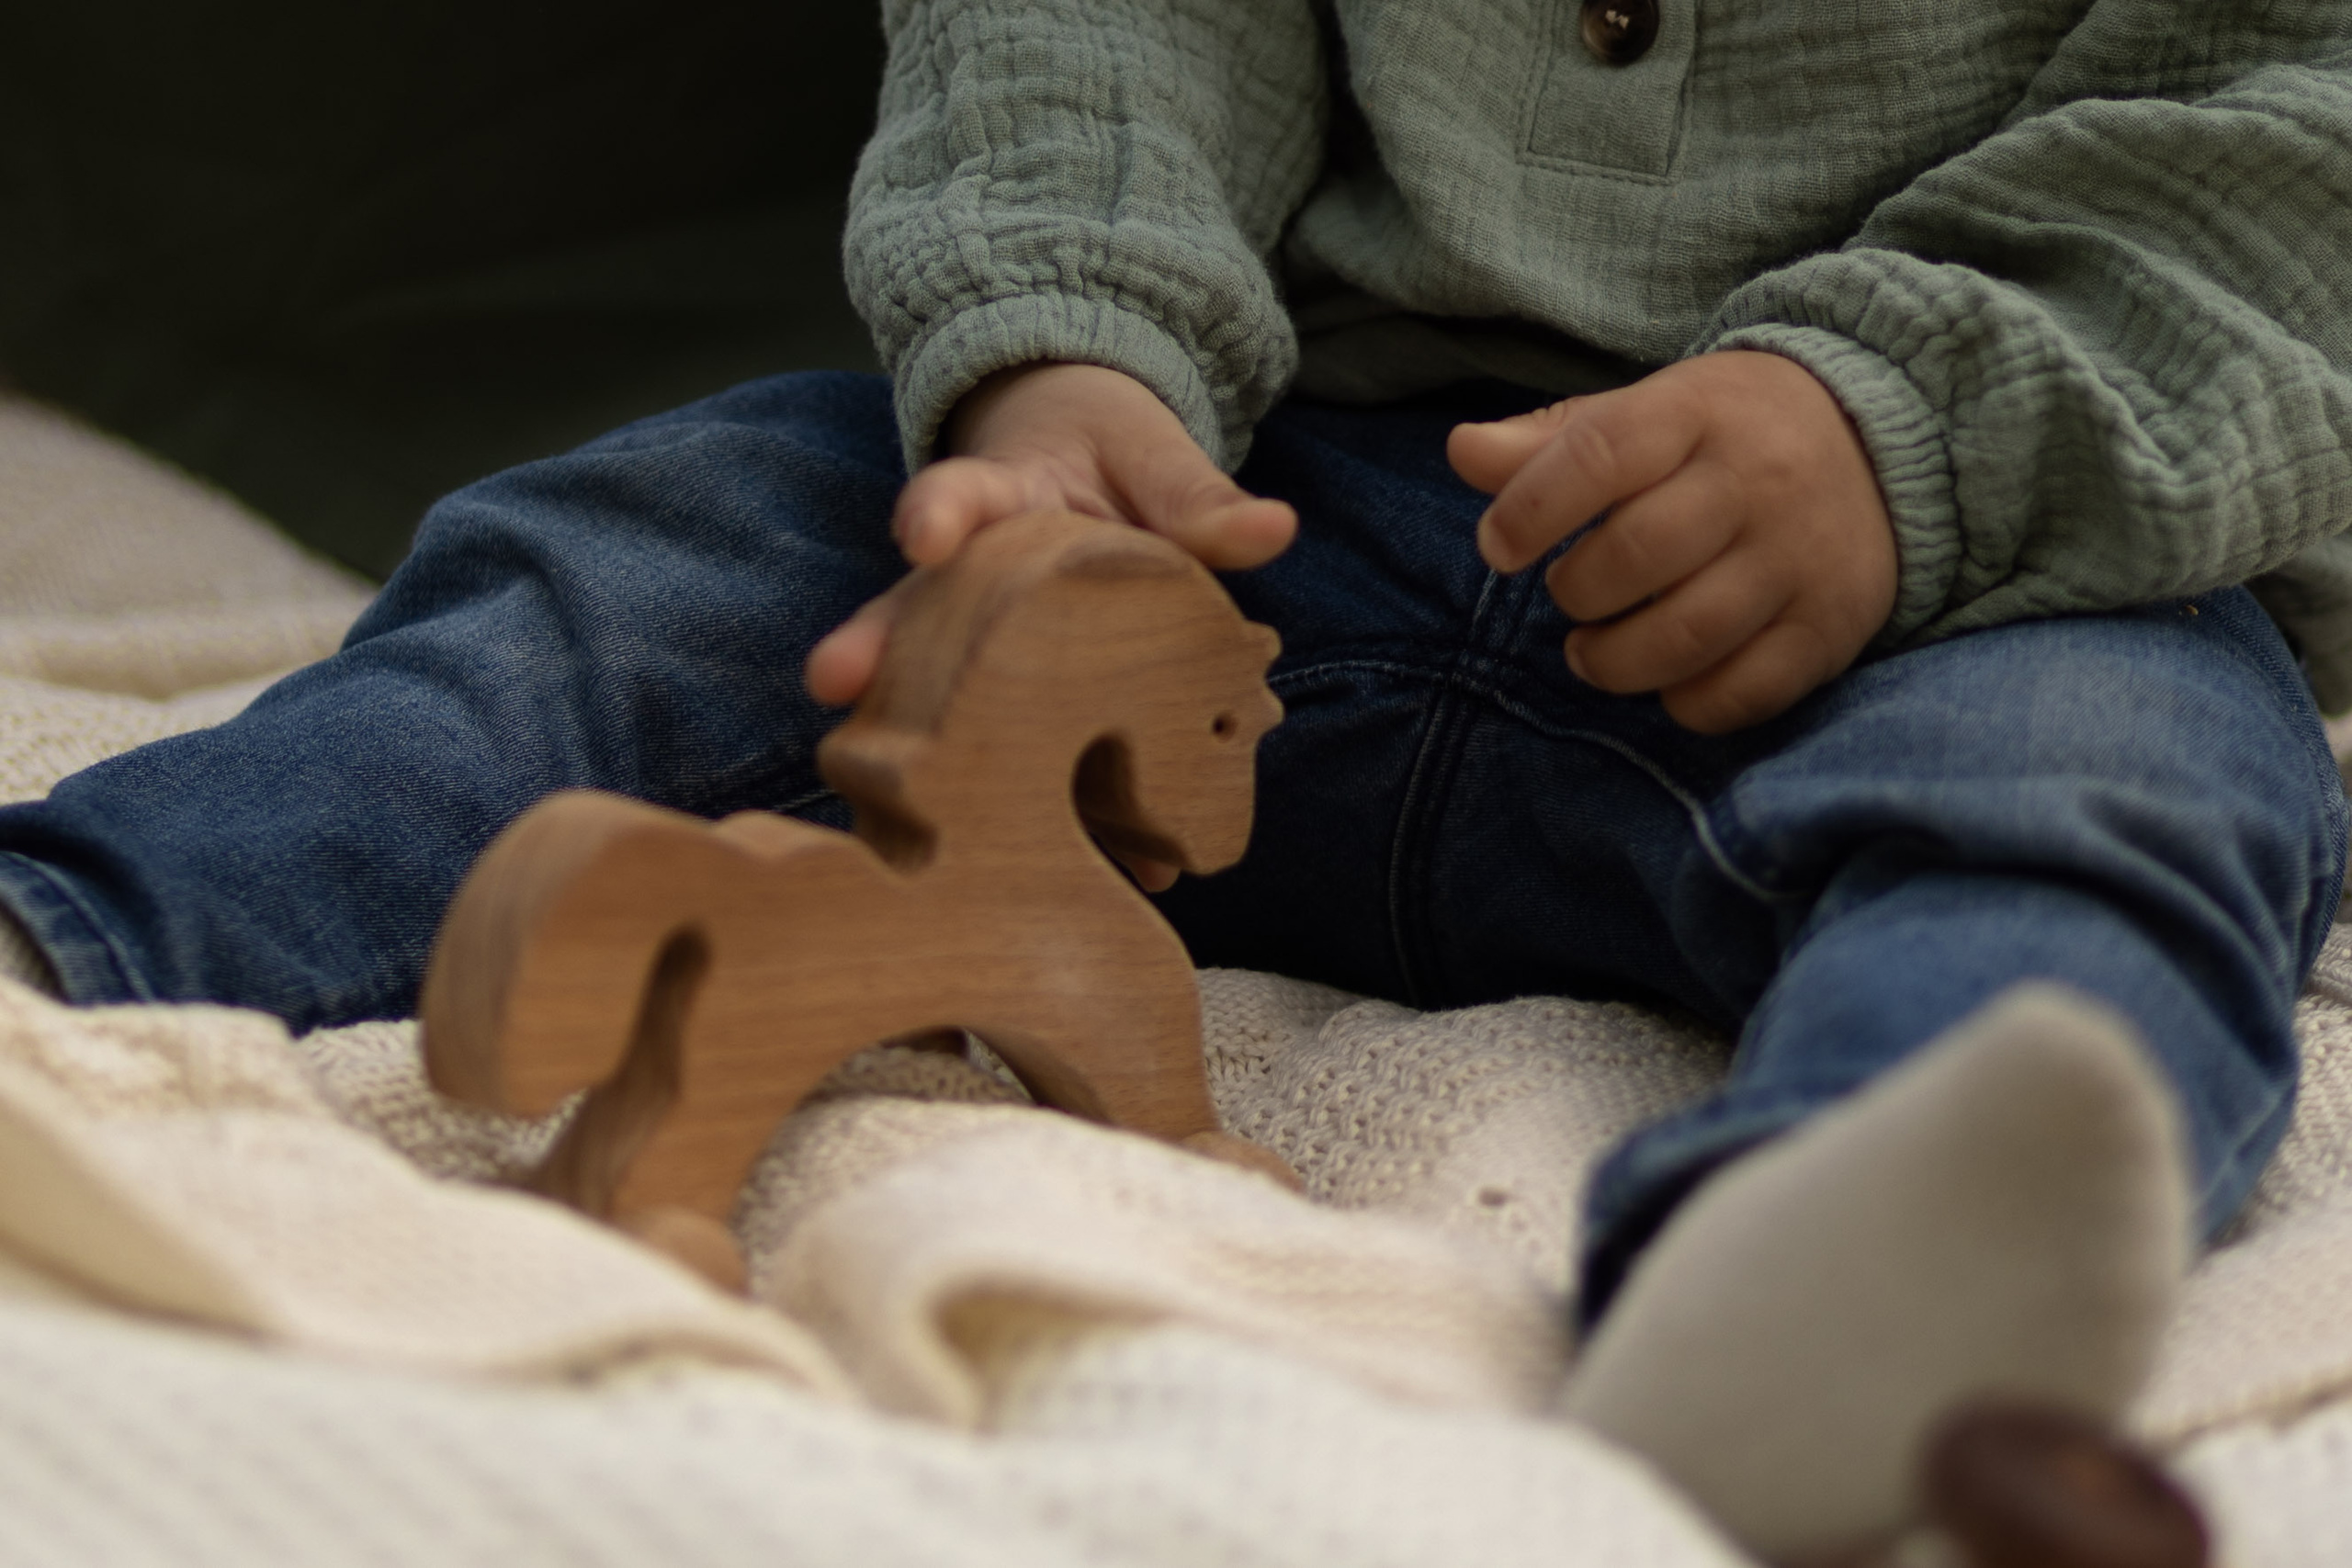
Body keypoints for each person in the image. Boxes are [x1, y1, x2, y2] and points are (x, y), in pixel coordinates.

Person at [4, 1, 2348, 1556]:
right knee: (662, 557)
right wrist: (1062, 350)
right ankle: (84, 919)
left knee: (2112, 783)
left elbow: (2295, 133)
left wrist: (1913, 421)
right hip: (1251, 488)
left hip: (1945, 566)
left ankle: (1831, 1301)